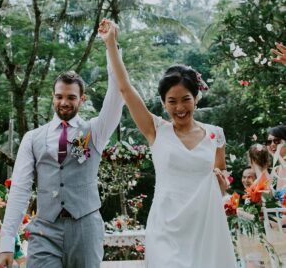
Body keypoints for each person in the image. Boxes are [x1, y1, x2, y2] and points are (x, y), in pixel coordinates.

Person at [98, 18, 236, 268]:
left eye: (186, 99)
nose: (180, 107)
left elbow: (220, 178)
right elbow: (126, 89)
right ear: (163, 103)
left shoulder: (216, 135)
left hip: (204, 230)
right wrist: (111, 45)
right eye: (172, 101)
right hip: (166, 231)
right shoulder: (155, 130)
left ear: (196, 98)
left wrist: (222, 183)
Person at [0, 63, 124, 267]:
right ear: (53, 96)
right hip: (45, 228)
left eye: (71, 97)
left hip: (85, 228)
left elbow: (117, 95)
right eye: (59, 96)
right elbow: (20, 189)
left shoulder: (95, 131)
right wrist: (6, 243)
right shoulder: (32, 138)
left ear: (82, 99)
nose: (64, 102)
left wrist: (111, 48)